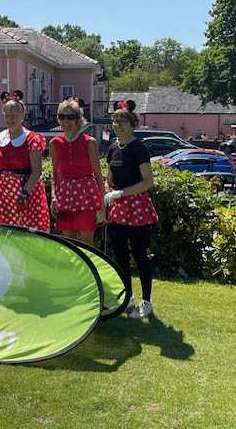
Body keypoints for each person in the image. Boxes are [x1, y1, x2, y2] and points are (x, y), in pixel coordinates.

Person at [105, 100, 159, 319]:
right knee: (120, 256)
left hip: (137, 207)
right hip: (118, 208)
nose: (118, 125)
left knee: (139, 255)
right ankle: (127, 298)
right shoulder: (112, 148)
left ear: (132, 124)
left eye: (122, 121)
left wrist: (122, 193)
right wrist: (108, 194)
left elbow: (148, 182)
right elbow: (109, 178)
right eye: (115, 121)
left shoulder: (139, 148)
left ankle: (146, 301)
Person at [0, 90, 50, 231]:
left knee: (28, 237)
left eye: (14, 115)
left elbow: (36, 172)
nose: (10, 119)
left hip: (27, 197)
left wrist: (24, 193)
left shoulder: (32, 139)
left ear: (22, 116)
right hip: (2, 199)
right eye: (7, 115)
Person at [49, 97, 105, 245]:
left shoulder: (89, 142)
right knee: (69, 244)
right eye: (62, 117)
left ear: (77, 119)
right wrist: (54, 197)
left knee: (87, 243)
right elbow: (55, 174)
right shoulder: (54, 143)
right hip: (64, 196)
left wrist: (103, 205)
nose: (66, 121)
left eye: (70, 117)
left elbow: (98, 175)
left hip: (86, 196)